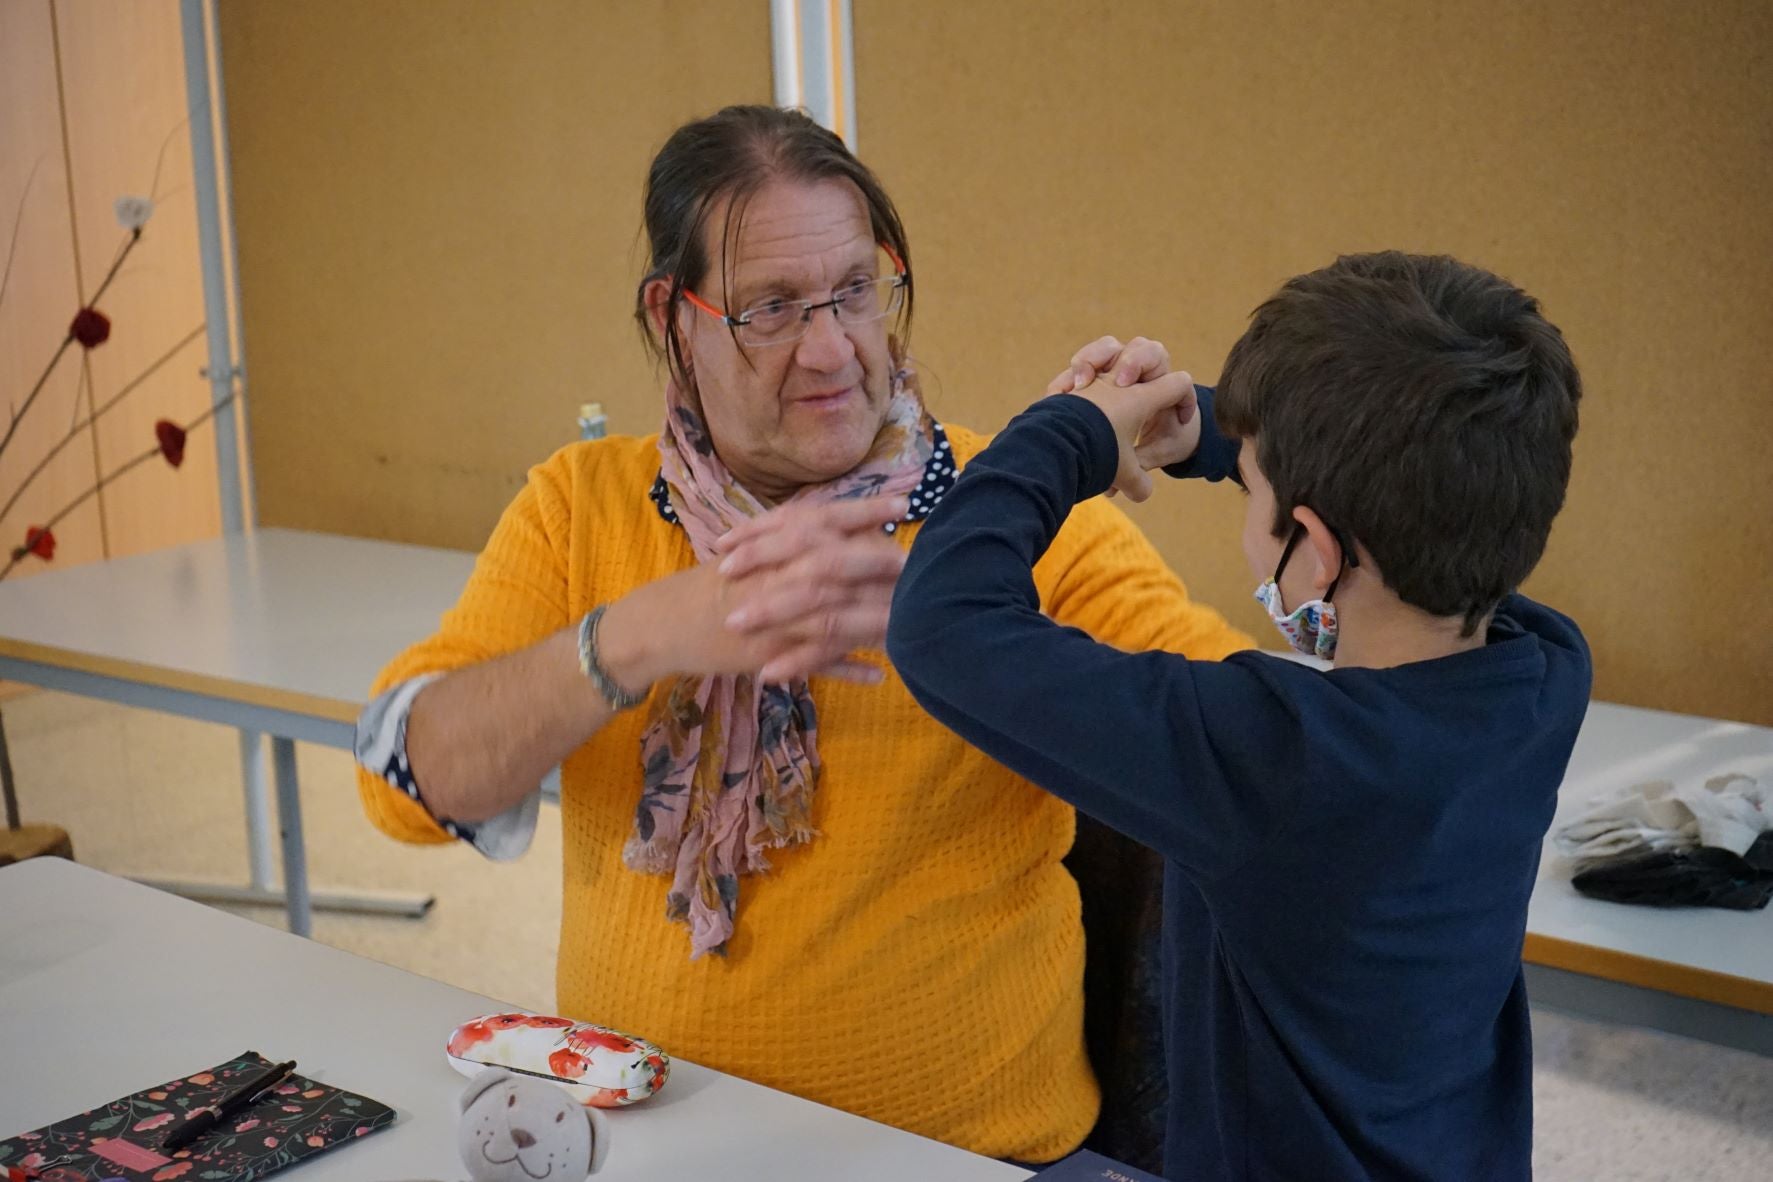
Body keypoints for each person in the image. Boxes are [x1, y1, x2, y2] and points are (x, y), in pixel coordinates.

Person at [352, 104, 1249, 1165]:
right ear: (672, 316)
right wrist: (637, 637)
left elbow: (1258, 751)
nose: (832, 349)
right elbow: (404, 782)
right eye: (770, 308)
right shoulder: (582, 504)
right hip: (649, 1142)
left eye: (857, 291)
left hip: (970, 1155)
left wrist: (972, 615)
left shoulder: (1010, 513)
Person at [880, 252, 1591, 1179]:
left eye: (1253, 494)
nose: (1244, 509)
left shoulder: (1269, 756)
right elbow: (1439, 487)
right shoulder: (1544, 672)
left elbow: (941, 626)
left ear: (1320, 551)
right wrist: (1217, 435)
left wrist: (1070, 433)